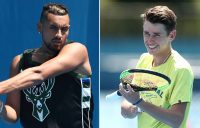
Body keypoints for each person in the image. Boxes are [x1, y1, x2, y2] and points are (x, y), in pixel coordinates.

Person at [0, 3, 93, 128]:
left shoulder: (77, 50)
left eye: (64, 29)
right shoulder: (19, 62)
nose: (59, 34)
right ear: (40, 27)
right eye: (53, 27)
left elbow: (38, 74)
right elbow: (13, 114)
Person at [119, 6, 194, 128]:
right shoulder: (144, 59)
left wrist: (138, 102)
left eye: (156, 35)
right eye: (146, 33)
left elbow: (176, 120)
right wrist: (128, 106)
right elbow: (134, 99)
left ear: (172, 35)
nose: (149, 40)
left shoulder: (181, 69)